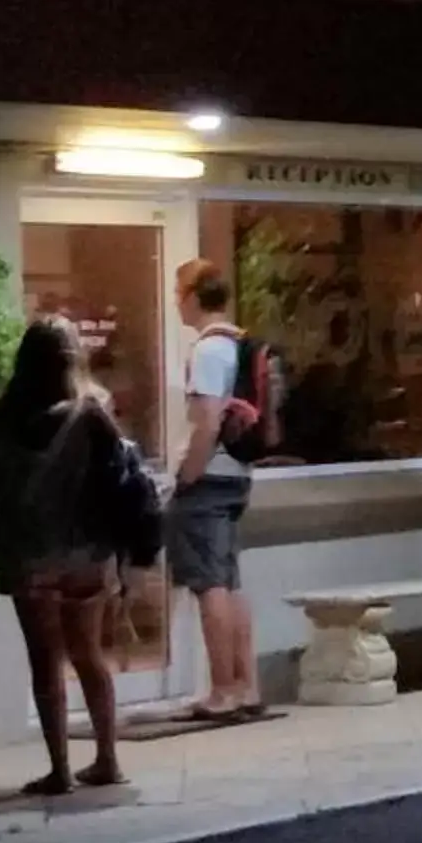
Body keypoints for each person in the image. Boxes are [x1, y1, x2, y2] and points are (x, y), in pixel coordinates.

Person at [0, 317, 145, 794]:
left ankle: (60, 770)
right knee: (89, 654)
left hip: (29, 555)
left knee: (44, 660)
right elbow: (120, 477)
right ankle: (107, 759)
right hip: (86, 554)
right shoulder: (92, 412)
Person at [170, 258, 261, 721]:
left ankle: (222, 690)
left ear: (192, 295)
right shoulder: (238, 344)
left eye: (176, 290)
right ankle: (246, 686)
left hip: (209, 477)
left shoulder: (207, 351)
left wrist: (187, 474)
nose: (173, 300)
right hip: (238, 475)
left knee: (209, 586)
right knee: (229, 582)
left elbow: (207, 422)